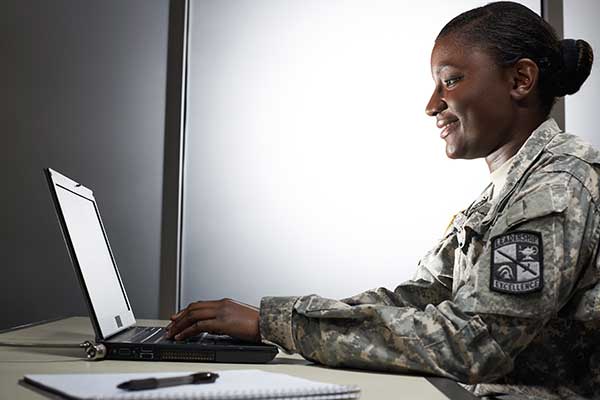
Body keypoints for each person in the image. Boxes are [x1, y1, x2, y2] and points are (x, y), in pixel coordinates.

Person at [166, 2, 599, 399]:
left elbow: (472, 344)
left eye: (450, 81)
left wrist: (278, 324)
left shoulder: (556, 186)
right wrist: (271, 321)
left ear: (520, 80)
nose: (432, 105)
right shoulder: (507, 190)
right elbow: (417, 298)